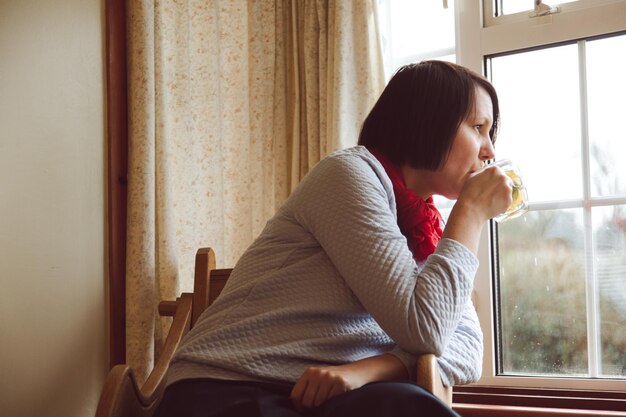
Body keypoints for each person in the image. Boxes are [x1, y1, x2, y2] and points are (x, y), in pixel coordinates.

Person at [155, 60, 512, 417]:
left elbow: (466, 349)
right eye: (477, 127)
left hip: (325, 396)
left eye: (489, 132)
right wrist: (471, 212)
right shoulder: (349, 175)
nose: (489, 151)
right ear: (427, 121)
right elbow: (425, 332)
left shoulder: (427, 227)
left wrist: (366, 370)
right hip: (228, 387)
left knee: (408, 403)